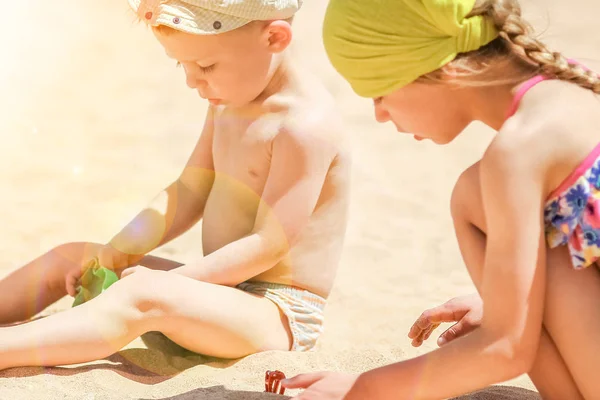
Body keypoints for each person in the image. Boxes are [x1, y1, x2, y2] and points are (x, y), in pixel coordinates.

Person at [0, 0, 351, 369]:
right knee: (75, 255)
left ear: (274, 38)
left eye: (206, 66)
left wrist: (180, 281)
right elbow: (190, 190)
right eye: (180, 64)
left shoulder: (303, 126)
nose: (191, 81)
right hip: (218, 290)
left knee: (143, 293)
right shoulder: (228, 100)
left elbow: (270, 244)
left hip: (274, 313)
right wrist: (118, 251)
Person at [282, 0, 600, 398]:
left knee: (473, 197)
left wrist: (362, 391)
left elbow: (505, 352)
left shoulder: (517, 152)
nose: (380, 114)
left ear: (438, 69)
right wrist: (510, 304)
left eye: (378, 91)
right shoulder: (578, 88)